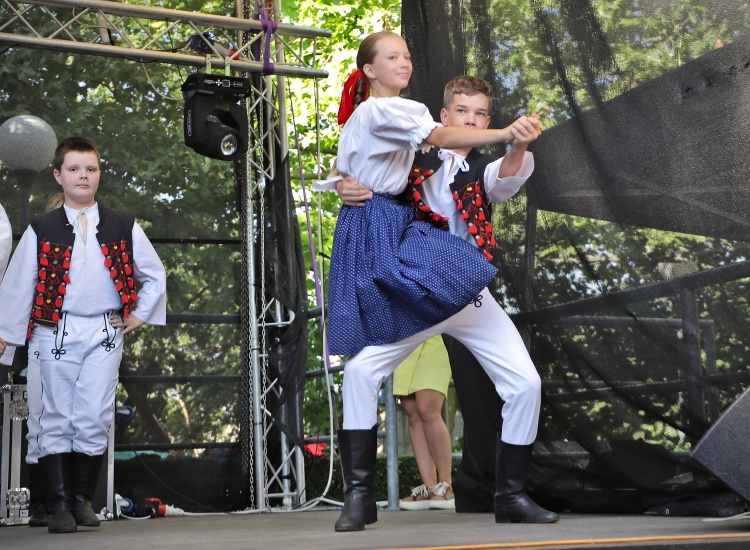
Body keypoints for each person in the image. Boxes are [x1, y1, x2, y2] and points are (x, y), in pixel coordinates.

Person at [315, 31, 551, 532]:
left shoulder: (481, 169)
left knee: (525, 382)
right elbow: (358, 157)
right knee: (360, 373)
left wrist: (517, 142)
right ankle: (358, 498)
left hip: (465, 292)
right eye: (462, 111)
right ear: (444, 115)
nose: (471, 120)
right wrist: (343, 184)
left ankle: (511, 495)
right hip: (418, 287)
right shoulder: (412, 149)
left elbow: (506, 178)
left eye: (480, 114)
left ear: (486, 120)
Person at [0, 136, 167, 534]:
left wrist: (138, 315)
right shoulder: (40, 227)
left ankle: (81, 499)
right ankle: (57, 504)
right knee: (55, 413)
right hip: (55, 329)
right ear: (58, 175)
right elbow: (20, 285)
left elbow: (154, 273)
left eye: (90, 169)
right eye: (74, 169)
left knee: (94, 414)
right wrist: (6, 335)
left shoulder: (123, 223)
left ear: (99, 174)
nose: (83, 176)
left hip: (105, 330)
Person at [394, 335, 455, 511]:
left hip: (434, 333)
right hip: (404, 338)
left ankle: (446, 485)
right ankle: (430, 487)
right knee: (412, 412)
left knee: (427, 408)